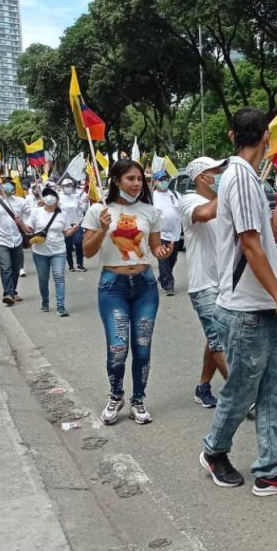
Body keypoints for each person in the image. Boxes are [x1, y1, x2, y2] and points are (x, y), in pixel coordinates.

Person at [198, 107, 277, 496]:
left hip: (259, 306)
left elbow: (269, 235)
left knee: (274, 389)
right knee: (243, 391)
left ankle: (269, 470)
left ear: (232, 135)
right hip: (247, 310)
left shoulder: (245, 179)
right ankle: (215, 451)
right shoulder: (240, 179)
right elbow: (249, 245)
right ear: (267, 137)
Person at [82, 159, 172, 425]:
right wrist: (101, 227)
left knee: (142, 347)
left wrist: (163, 252)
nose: (136, 184)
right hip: (113, 287)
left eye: (139, 179)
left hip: (145, 285)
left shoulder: (150, 212)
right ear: (116, 180)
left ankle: (138, 400)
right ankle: (116, 394)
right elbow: (87, 251)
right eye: (130, 179)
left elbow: (155, 249)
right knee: (118, 347)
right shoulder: (98, 210)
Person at [178, 156, 230, 408]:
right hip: (204, 285)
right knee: (220, 339)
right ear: (201, 177)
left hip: (227, 283)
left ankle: (203, 387)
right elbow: (205, 214)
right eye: (216, 171)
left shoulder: (225, 204)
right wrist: (230, 189)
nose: (221, 175)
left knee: (214, 338)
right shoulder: (190, 200)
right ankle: (240, 394)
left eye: (222, 171)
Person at [0, 180, 31, 305]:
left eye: (10, 185)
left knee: (16, 268)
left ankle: (12, 291)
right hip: (0, 239)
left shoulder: (21, 202)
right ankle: (8, 294)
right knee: (6, 267)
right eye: (5, 185)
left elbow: (32, 214)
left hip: (17, 239)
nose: (8, 187)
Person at [28, 186, 72, 316]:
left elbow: (66, 231)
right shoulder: (36, 212)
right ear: (43, 198)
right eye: (46, 194)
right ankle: (45, 302)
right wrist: (20, 223)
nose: (49, 197)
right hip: (40, 252)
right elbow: (30, 229)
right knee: (43, 279)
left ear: (57, 199)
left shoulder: (62, 214)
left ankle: (61, 307)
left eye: (52, 195)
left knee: (59, 277)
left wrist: (73, 230)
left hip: (58, 251)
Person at [152, 170, 182, 296]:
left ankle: (163, 277)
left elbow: (182, 209)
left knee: (172, 259)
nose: (164, 182)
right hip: (161, 235)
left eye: (166, 179)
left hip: (175, 234)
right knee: (163, 260)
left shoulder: (174, 195)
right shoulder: (152, 197)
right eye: (161, 179)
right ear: (155, 182)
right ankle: (168, 285)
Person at [60, 177, 88, 272]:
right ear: (62, 187)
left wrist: (87, 201)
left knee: (78, 243)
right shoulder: (59, 198)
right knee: (68, 246)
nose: (68, 187)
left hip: (77, 223)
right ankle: (71, 265)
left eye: (70, 185)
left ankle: (80, 264)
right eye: (66, 186)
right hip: (66, 225)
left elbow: (83, 208)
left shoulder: (76, 197)